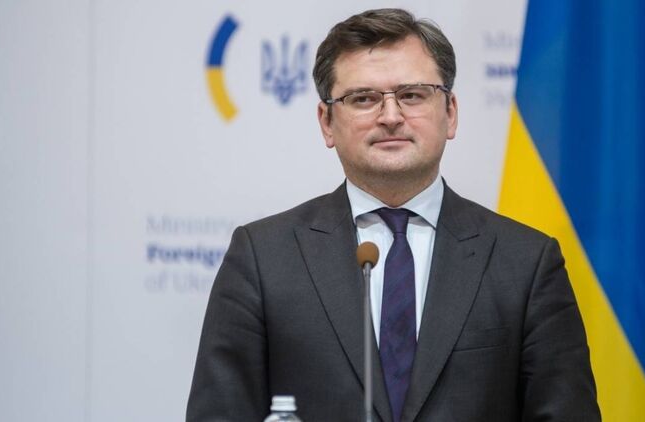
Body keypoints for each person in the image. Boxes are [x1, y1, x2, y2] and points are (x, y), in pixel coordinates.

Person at [187, 8, 600, 422]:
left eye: (412, 95)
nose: (390, 116)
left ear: (450, 112)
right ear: (327, 122)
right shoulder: (262, 258)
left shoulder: (526, 263)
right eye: (363, 99)